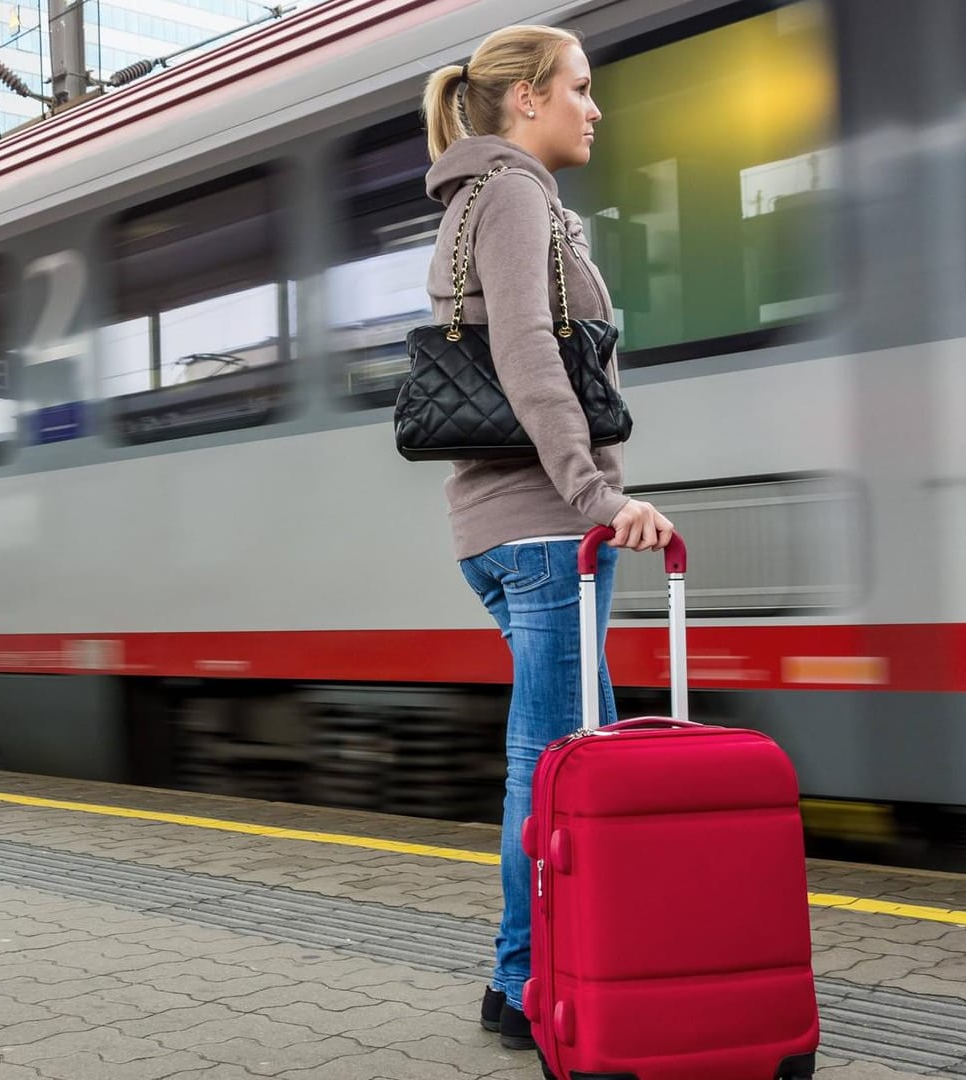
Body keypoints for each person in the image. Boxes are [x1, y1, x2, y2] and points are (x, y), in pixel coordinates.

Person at [419, 25, 675, 1051]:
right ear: (524, 99)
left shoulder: (476, 198)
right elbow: (529, 350)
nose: (594, 106)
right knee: (554, 767)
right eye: (579, 87)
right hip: (541, 530)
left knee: (580, 764)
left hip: (503, 530)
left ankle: (559, 971)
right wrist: (597, 496)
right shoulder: (516, 194)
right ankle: (523, 984)